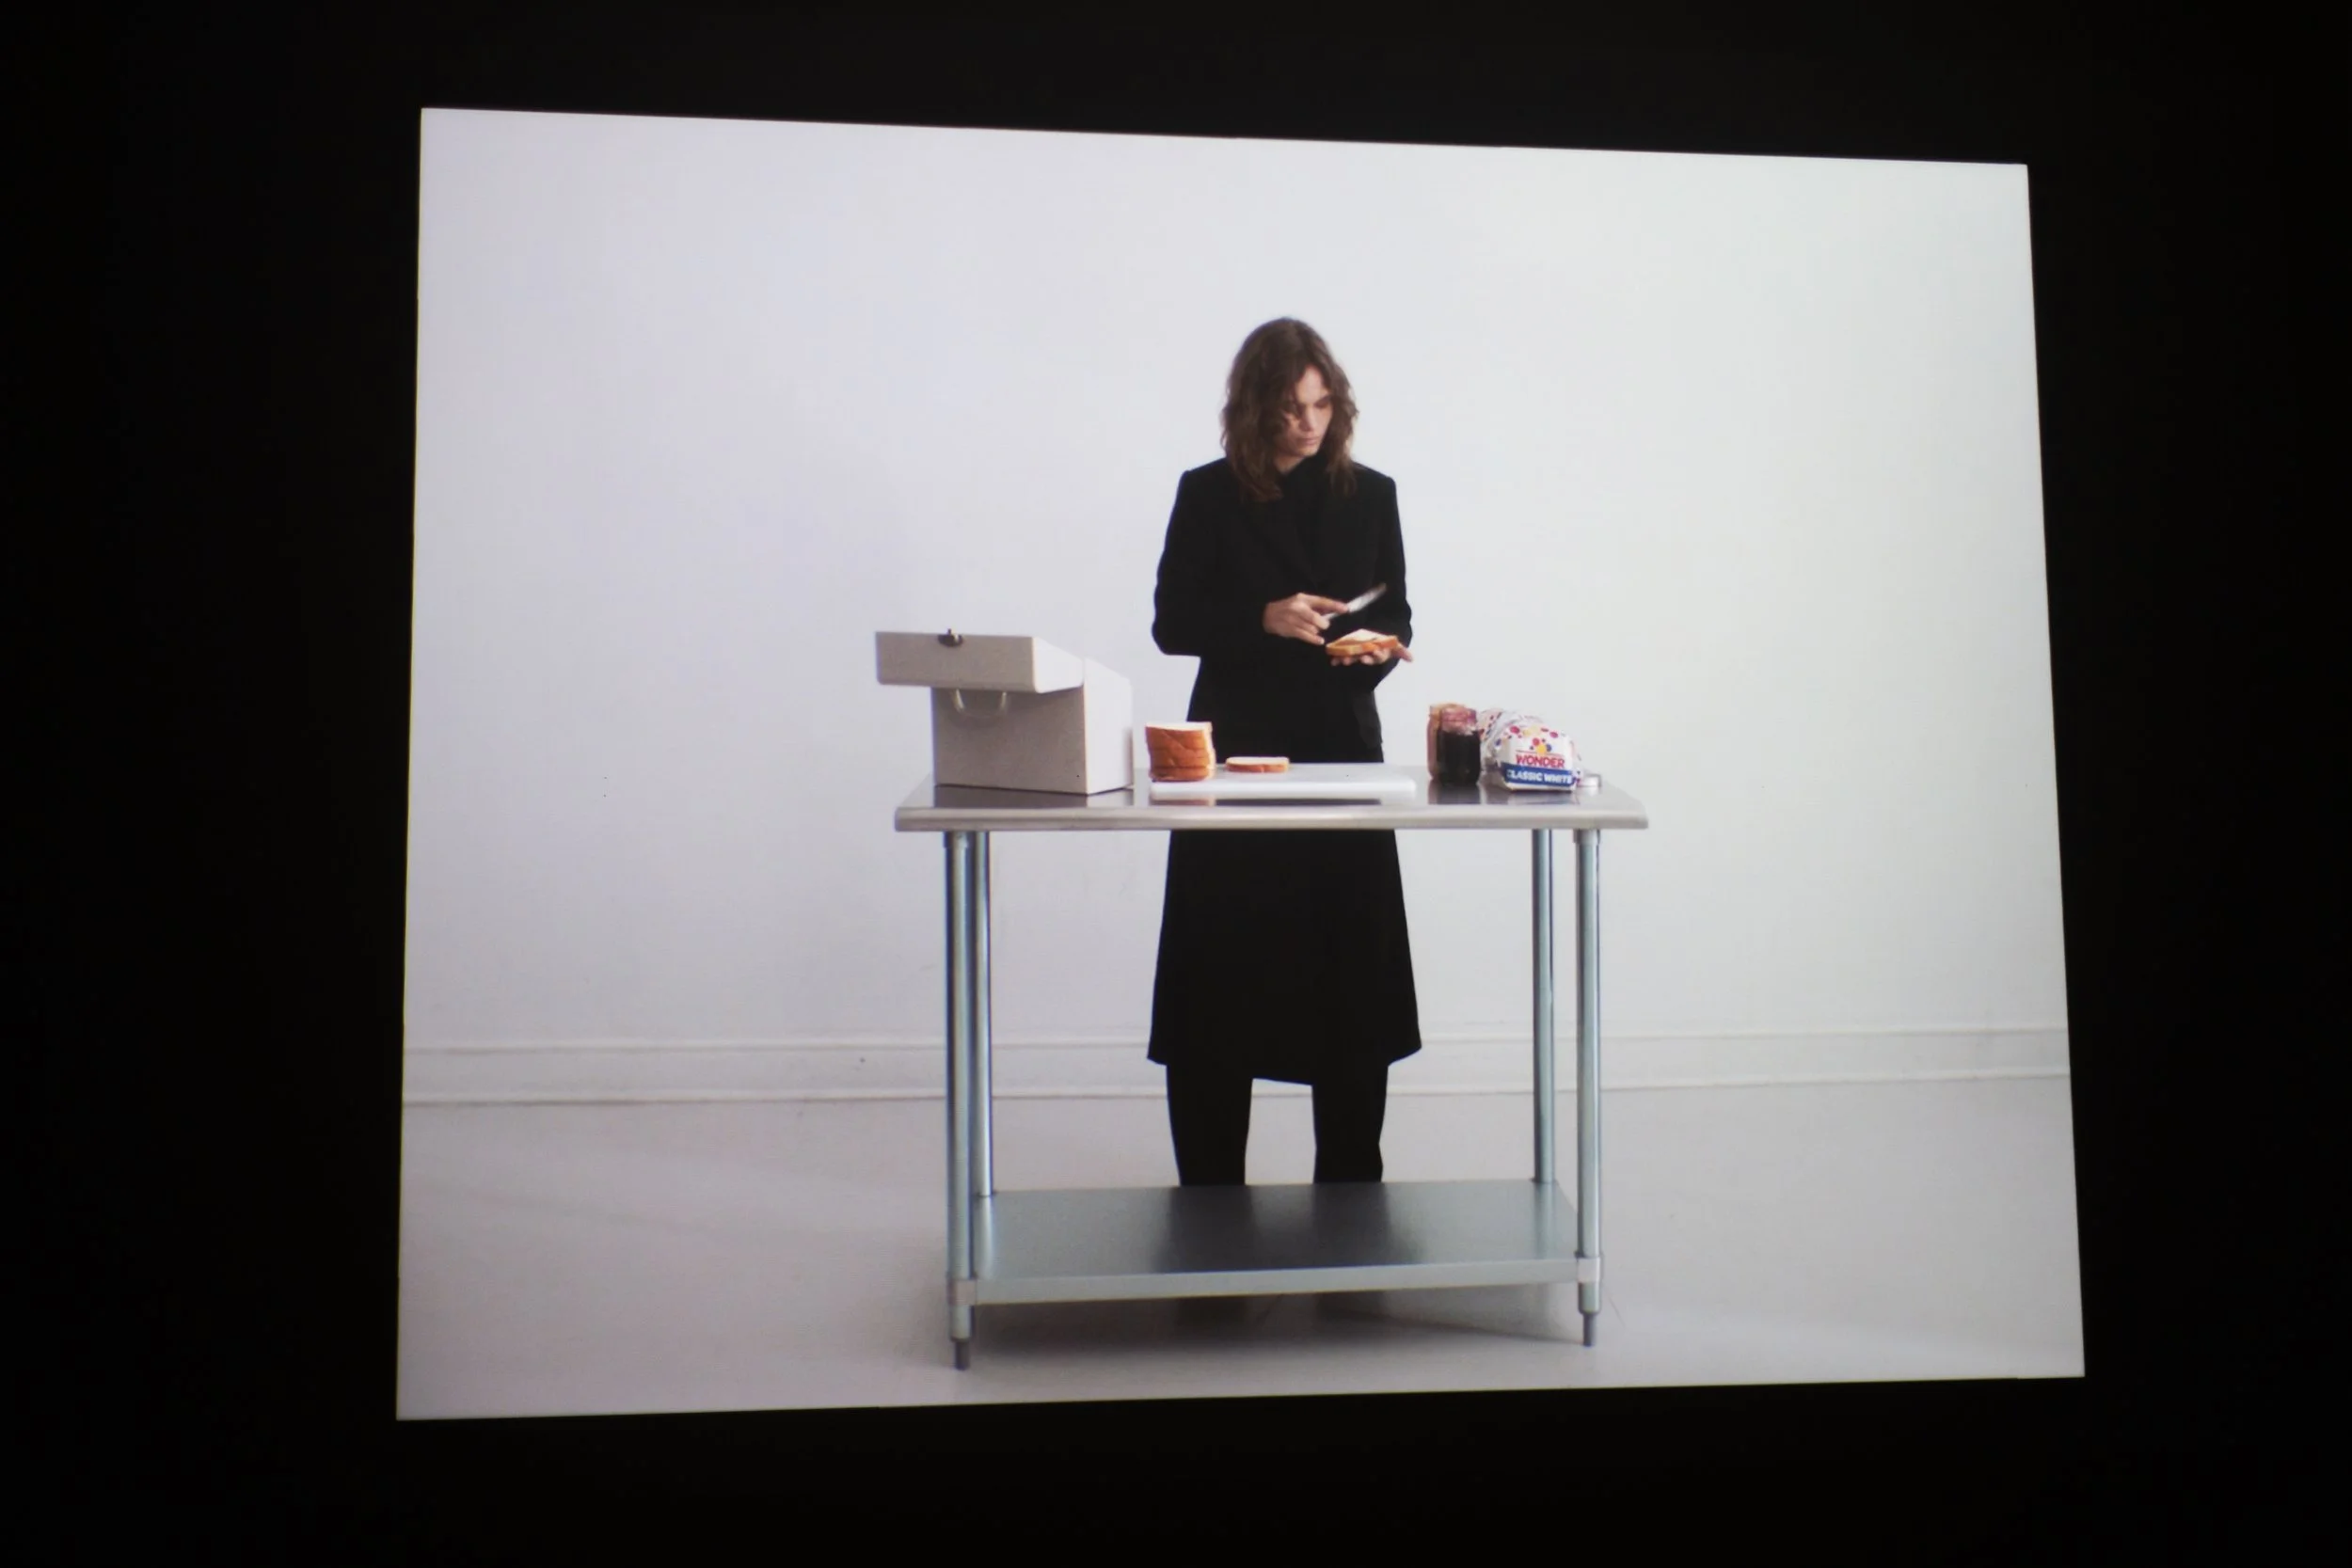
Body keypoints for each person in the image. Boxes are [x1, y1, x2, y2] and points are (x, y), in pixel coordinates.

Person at [1147, 318, 1422, 1186]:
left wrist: (1373, 648)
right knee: (1218, 982)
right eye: (1292, 408)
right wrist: (1263, 617)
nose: (1309, 423)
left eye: (1322, 405)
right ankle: (1207, 1200)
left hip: (1342, 754)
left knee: (1351, 984)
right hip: (1235, 757)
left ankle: (1351, 1197)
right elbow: (1171, 622)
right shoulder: (1207, 493)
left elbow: (1397, 612)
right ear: (1255, 409)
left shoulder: (1371, 494)